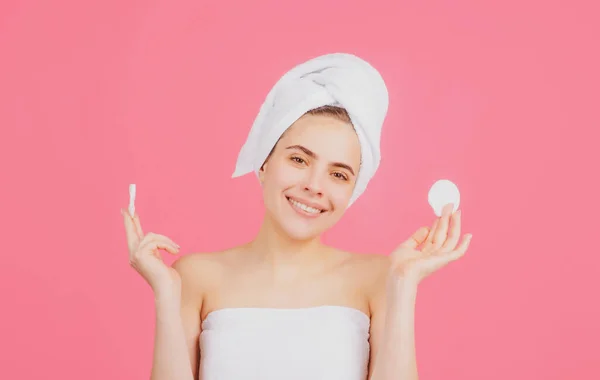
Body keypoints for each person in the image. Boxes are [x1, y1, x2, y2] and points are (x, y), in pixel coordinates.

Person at [122, 53, 473, 380]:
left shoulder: (379, 279)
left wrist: (403, 284)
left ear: (352, 191)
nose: (314, 186)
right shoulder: (195, 276)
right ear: (263, 163)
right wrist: (165, 298)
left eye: (338, 175)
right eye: (299, 160)